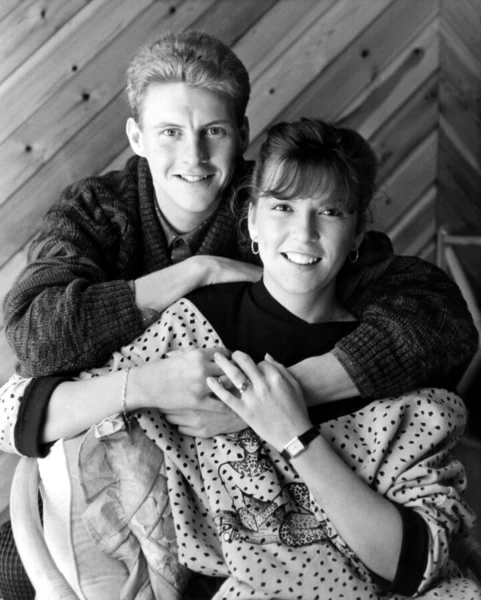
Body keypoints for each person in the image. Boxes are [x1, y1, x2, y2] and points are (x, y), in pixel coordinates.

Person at [0, 29, 477, 599]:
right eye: (171, 132)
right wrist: (195, 274)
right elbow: (36, 338)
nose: (194, 156)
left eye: (215, 131)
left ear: (241, 135)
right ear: (137, 136)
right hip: (143, 485)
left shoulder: (287, 209)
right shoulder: (98, 213)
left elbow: (440, 320)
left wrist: (267, 401)